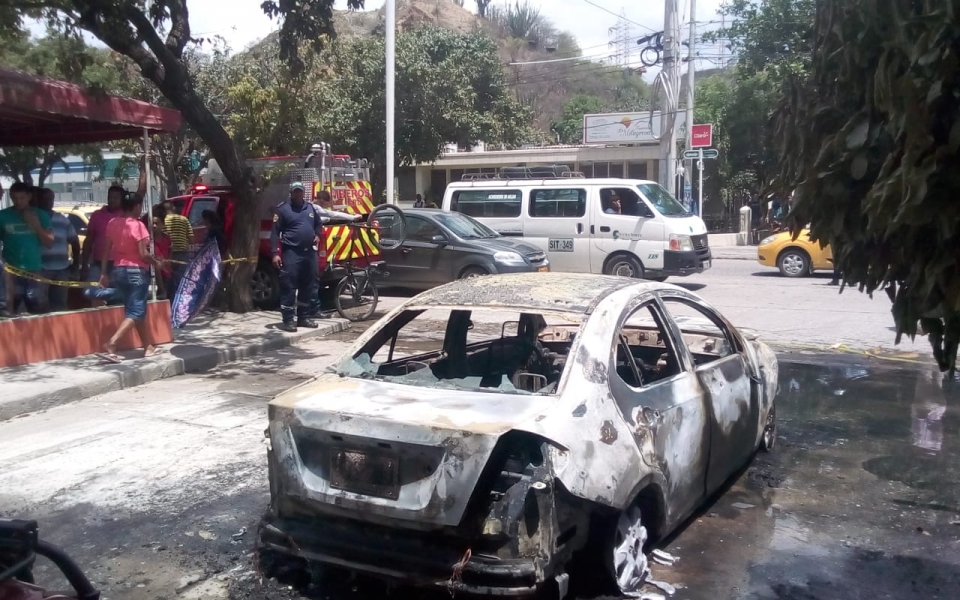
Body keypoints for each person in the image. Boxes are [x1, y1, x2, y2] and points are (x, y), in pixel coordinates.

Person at [272, 182, 360, 332]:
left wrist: (318, 235)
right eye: (296, 192)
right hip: (292, 253)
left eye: (300, 191)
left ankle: (303, 317)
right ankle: (288, 320)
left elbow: (318, 224)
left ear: (303, 193)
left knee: (309, 285)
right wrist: (275, 253)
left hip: (309, 253)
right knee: (289, 286)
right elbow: (274, 233)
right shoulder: (283, 210)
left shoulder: (310, 208)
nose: (298, 194)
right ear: (291, 193)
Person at [96, 193, 167, 363]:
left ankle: (147, 346)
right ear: (135, 207)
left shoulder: (113, 223)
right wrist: (157, 262)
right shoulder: (138, 226)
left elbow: (106, 250)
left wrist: (104, 273)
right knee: (136, 311)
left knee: (134, 310)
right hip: (136, 272)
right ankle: (112, 343)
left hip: (118, 270)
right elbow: (143, 254)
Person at [0, 182, 54, 316]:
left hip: (33, 269)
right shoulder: (3, 216)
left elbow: (49, 243)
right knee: (11, 306)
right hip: (11, 270)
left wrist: (36, 225)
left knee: (36, 305)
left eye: (22, 198)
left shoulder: (40, 215)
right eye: (15, 198)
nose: (18, 202)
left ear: (29, 197)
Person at [34, 188, 80, 312]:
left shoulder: (63, 220)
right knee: (40, 304)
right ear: (38, 200)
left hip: (62, 269)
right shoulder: (33, 219)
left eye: (50, 199)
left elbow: (75, 242)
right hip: (41, 269)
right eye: (45, 199)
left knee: (60, 305)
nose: (48, 202)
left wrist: (75, 264)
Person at [82, 185, 125, 305]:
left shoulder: (125, 215)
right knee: (90, 292)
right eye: (110, 197)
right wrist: (84, 262)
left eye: (116, 198)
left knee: (117, 303)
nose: (112, 200)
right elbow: (89, 239)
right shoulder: (97, 215)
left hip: (118, 264)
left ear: (122, 199)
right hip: (98, 262)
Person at [161, 199, 194, 292]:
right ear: (173, 208)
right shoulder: (184, 220)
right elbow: (191, 239)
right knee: (182, 281)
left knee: (169, 280)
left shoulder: (162, 221)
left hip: (168, 255)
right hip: (182, 254)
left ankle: (170, 301)